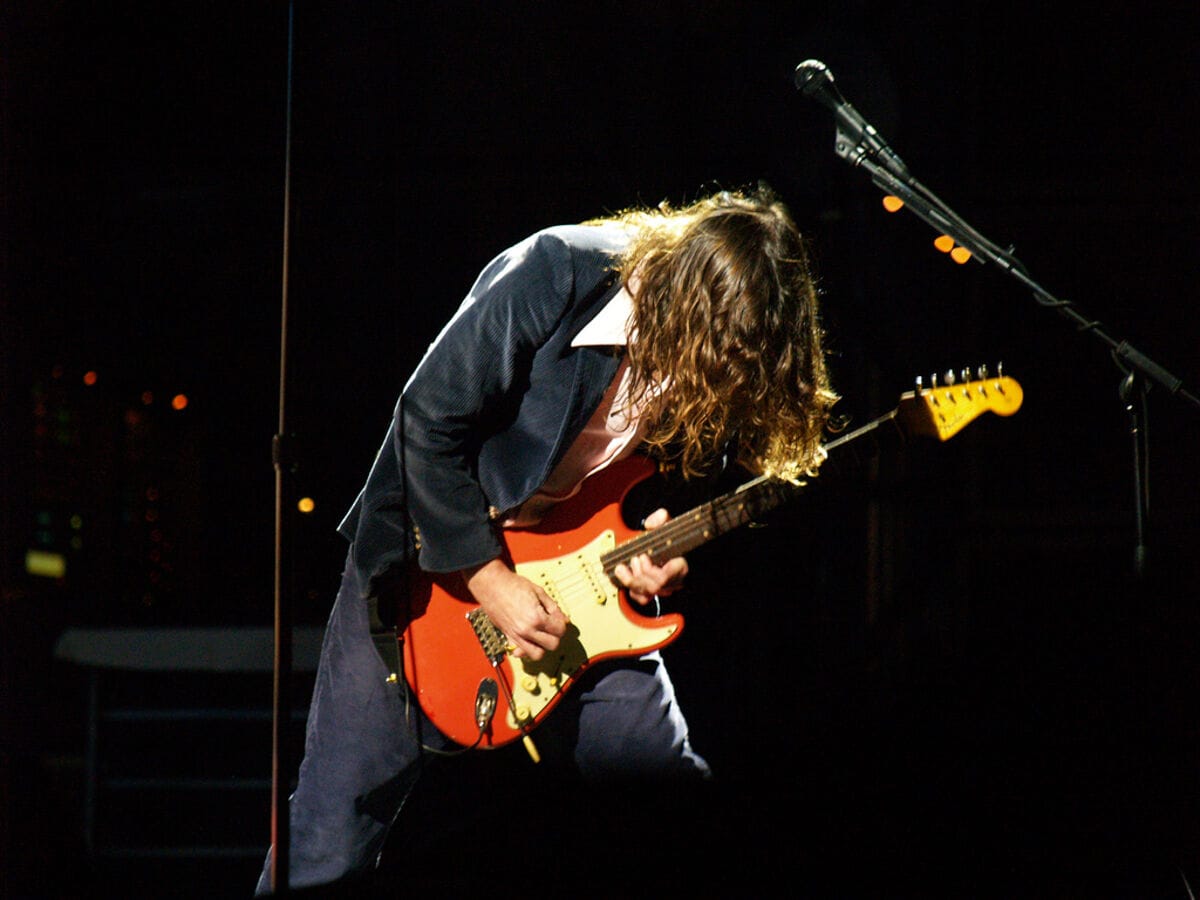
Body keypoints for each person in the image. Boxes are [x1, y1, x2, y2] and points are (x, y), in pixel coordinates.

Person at [255, 185, 837, 894]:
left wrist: (658, 544)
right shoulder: (555, 269)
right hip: (428, 570)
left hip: (578, 585)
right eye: (712, 353)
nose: (712, 378)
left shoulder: (717, 351)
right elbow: (423, 424)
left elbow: (656, 482)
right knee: (330, 839)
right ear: (685, 298)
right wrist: (489, 579)